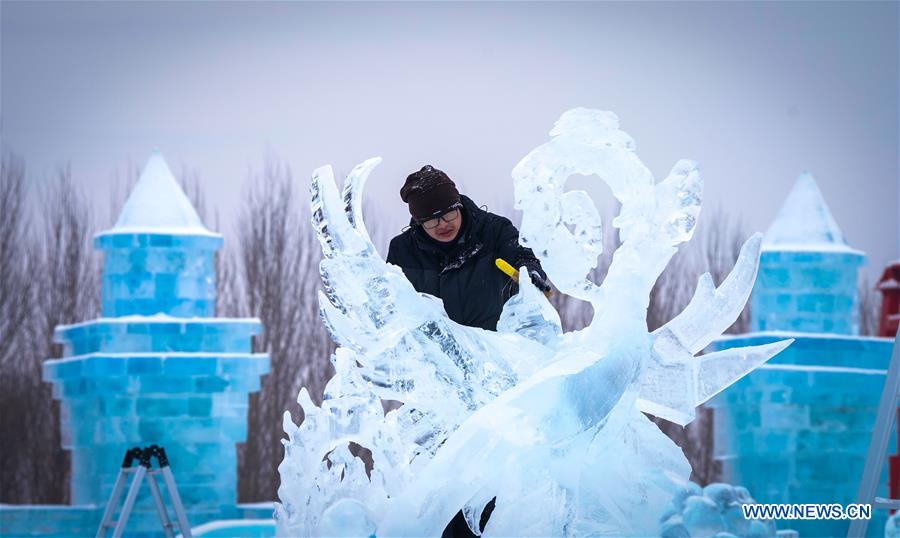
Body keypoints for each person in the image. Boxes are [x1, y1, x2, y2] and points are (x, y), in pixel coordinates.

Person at [385, 165, 550, 537]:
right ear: (417, 224)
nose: (443, 223)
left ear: (459, 204)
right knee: (445, 476)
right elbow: (390, 307)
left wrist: (530, 275)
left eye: (449, 212)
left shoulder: (494, 231)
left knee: (494, 472)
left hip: (496, 372)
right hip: (439, 377)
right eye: (431, 220)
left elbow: (523, 258)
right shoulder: (402, 251)